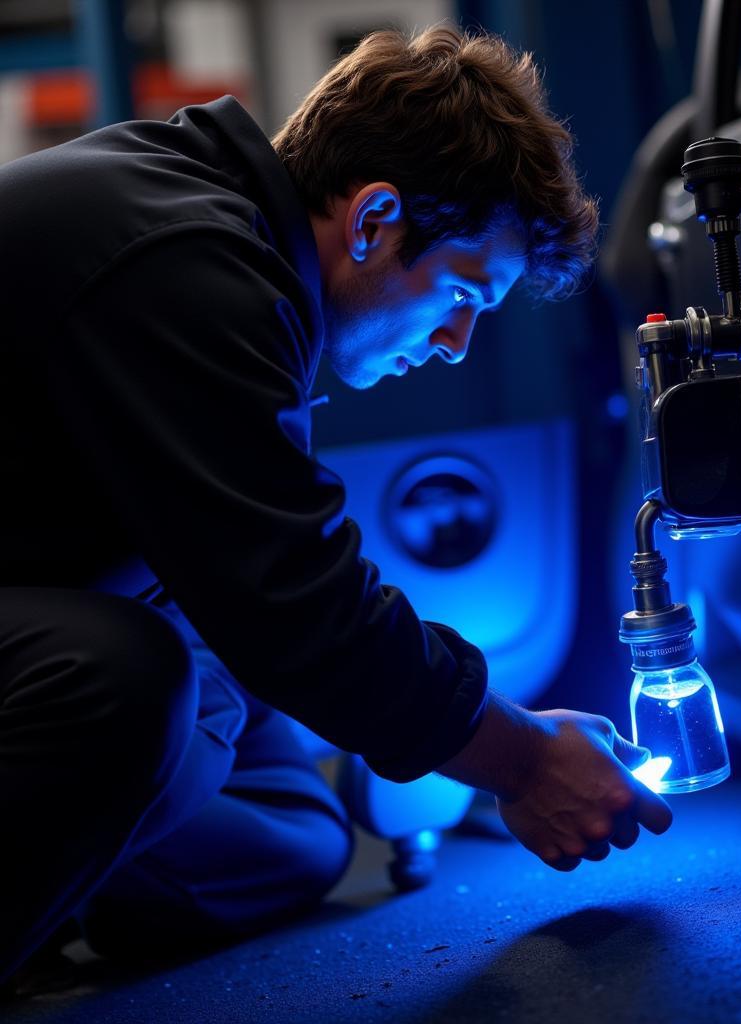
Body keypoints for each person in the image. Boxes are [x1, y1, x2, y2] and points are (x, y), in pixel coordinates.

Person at [0, 23, 672, 984]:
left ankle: (64, 864)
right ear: (372, 220)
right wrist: (519, 758)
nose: (454, 342)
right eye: (464, 293)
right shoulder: (187, 262)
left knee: (297, 830)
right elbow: (294, 601)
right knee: (128, 682)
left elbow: (264, 587)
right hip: (53, 634)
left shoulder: (222, 237)